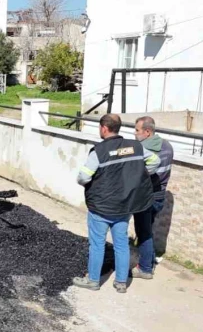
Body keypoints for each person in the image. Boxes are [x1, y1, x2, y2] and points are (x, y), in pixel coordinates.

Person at [73, 114, 160, 293]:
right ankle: (121, 282)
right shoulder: (135, 146)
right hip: (124, 206)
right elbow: (155, 161)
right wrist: (140, 175)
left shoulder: (99, 151)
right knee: (121, 244)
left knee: (97, 244)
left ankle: (93, 280)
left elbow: (84, 177)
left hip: (101, 207)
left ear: (104, 128)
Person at [132, 116, 174, 279]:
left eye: (137, 130)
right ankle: (149, 259)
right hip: (160, 195)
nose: (134, 133)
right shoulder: (167, 146)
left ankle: (145, 269)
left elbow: (138, 175)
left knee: (143, 232)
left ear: (147, 132)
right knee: (147, 229)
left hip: (146, 196)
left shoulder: (142, 150)